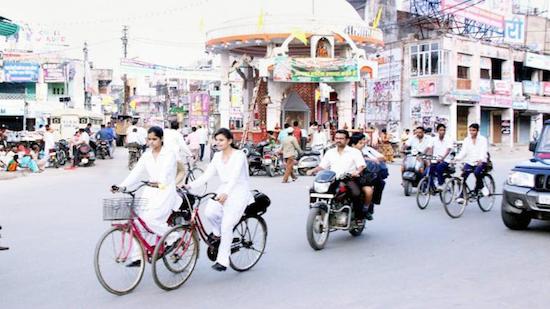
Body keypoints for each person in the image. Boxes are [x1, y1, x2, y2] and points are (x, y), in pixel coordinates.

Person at [185, 128, 254, 272]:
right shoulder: (217, 156)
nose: (218, 142)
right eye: (216, 140)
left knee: (227, 225)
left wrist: (226, 194)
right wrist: (189, 185)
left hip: (238, 190)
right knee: (209, 212)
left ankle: (223, 261)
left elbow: (235, 177)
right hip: (224, 189)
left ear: (229, 141)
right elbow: (206, 176)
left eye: (221, 140)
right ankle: (217, 234)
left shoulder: (239, 155)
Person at [113, 126, 182, 267]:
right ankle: (137, 257)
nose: (151, 142)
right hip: (150, 192)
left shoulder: (169, 153)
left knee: (150, 220)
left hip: (165, 192)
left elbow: (167, 171)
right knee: (138, 222)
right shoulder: (146, 155)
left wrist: (160, 182)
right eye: (149, 139)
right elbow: (136, 172)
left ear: (161, 139)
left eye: (154, 139)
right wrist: (122, 186)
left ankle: (174, 237)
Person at [307, 130, 366, 221]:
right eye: (337, 138)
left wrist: (357, 172)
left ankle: (359, 218)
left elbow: (361, 166)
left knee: (356, 193)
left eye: (341, 138)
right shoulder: (330, 152)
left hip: (349, 179)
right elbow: (322, 166)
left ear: (347, 140)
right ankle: (316, 211)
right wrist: (312, 170)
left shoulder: (354, 152)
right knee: (313, 190)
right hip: (332, 180)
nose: (338, 140)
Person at [454, 123, 489, 202]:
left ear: (477, 131)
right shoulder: (467, 140)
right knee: (462, 177)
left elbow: (484, 151)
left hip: (480, 161)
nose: (472, 132)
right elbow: (463, 151)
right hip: (470, 162)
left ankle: (482, 187)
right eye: (470, 130)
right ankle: (461, 196)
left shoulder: (483, 139)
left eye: (473, 130)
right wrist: (457, 158)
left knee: (477, 173)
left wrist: (481, 159)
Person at [164, 121, 192, 185]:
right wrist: (190, 154)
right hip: (174, 156)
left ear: (170, 126)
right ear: (178, 127)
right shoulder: (178, 134)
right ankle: (172, 187)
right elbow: (183, 146)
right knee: (182, 171)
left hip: (163, 155)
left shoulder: (165, 132)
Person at [431, 124, 453, 190]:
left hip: (445, 160)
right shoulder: (433, 139)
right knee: (428, 170)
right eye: (440, 130)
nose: (442, 132)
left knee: (439, 167)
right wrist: (429, 157)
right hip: (435, 160)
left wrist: (442, 158)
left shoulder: (448, 139)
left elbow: (448, 150)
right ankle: (432, 187)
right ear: (437, 131)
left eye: (443, 130)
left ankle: (441, 183)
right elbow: (430, 149)